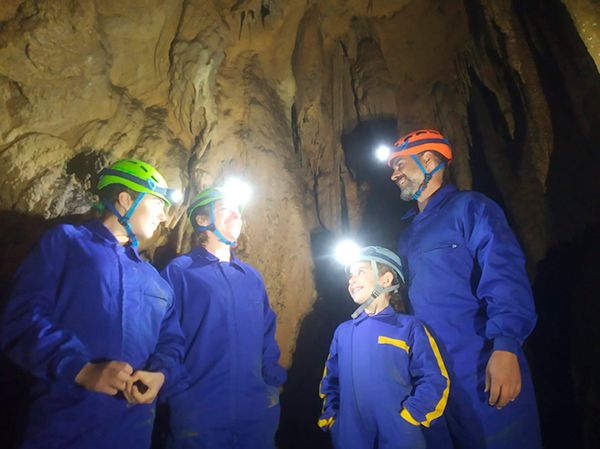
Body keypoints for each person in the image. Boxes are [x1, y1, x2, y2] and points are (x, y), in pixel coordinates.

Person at [0, 159, 186, 449]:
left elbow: (172, 341)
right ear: (126, 200)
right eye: (157, 202)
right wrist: (82, 369)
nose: (164, 216)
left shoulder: (156, 281)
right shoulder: (66, 244)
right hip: (63, 429)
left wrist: (160, 374)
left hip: (132, 435)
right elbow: (21, 317)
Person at [387, 129, 542, 448]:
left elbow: (505, 275)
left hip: (480, 364)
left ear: (428, 160)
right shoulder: (407, 235)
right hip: (433, 376)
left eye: (400, 164)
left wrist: (506, 347)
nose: (394, 174)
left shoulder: (470, 208)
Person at [161, 185, 287, 449]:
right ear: (202, 220)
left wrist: (271, 386)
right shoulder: (180, 272)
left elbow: (266, 334)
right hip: (198, 409)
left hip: (255, 411)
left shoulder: (250, 277)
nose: (236, 215)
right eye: (225, 209)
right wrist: (178, 395)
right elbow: (165, 334)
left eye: (238, 210)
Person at [318, 246, 450, 449]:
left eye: (360, 272)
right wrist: (333, 419)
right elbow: (330, 381)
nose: (351, 280)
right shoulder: (343, 332)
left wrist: (409, 419)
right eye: (350, 276)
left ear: (386, 280)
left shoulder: (408, 327)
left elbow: (434, 378)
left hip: (399, 437)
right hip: (350, 438)